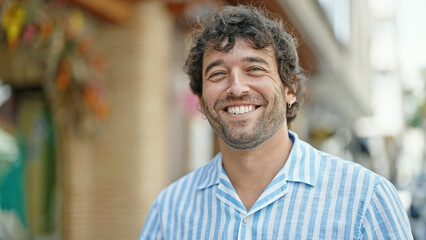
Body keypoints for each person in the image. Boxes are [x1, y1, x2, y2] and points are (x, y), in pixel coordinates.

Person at [140, 5, 413, 239]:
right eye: (218, 73)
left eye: (255, 69)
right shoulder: (169, 211)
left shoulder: (366, 200)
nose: (236, 87)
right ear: (200, 100)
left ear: (290, 89)